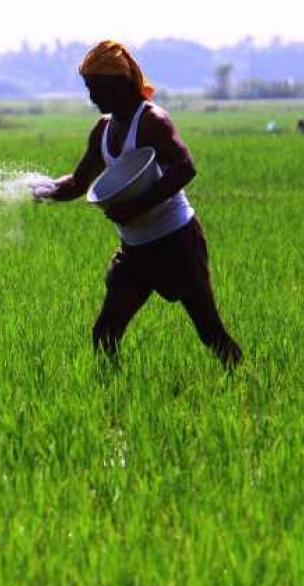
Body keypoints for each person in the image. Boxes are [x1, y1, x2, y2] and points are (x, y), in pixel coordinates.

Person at [34, 40, 243, 369]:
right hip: (134, 251)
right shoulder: (103, 129)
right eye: (89, 88)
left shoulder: (152, 121)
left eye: (97, 88)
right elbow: (77, 183)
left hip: (177, 243)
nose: (92, 97)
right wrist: (44, 189)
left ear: (120, 84)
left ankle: (248, 385)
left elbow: (184, 167)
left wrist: (136, 208)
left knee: (210, 333)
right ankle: (112, 396)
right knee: (105, 334)